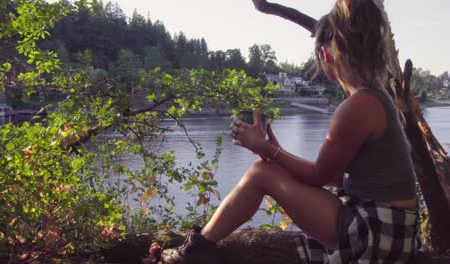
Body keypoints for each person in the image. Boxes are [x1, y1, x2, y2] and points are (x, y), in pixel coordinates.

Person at [160, 0, 418, 263]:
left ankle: (194, 252)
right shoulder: (374, 97)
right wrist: (275, 152)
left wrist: (266, 150)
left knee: (260, 173)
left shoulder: (358, 106)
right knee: (266, 169)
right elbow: (336, 178)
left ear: (327, 55)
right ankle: (198, 249)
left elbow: (319, 177)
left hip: (377, 232)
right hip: (391, 229)